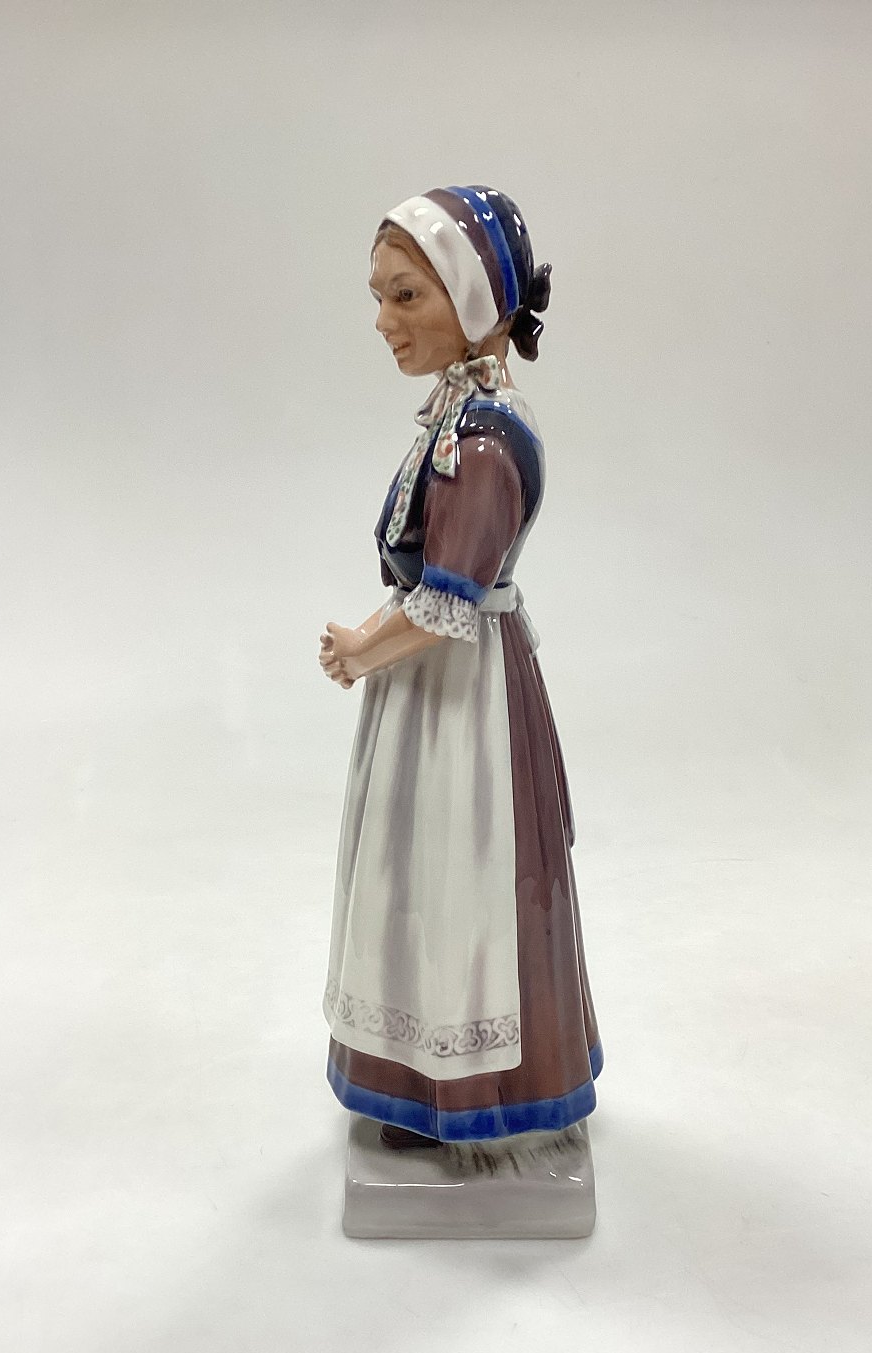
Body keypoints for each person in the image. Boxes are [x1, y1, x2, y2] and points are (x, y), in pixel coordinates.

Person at [319, 186, 602, 1148]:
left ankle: (480, 1094)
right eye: (380, 296)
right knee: (419, 878)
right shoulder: (454, 419)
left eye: (406, 295)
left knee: (466, 876)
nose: (384, 320)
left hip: (465, 699)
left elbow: (449, 600)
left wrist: (364, 649)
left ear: (475, 301)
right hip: (434, 691)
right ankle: (425, 1080)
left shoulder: (481, 445)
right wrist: (372, 637)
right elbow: (423, 582)